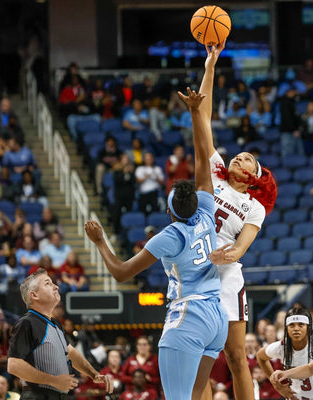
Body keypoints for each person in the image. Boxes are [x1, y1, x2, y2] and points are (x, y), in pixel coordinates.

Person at [86, 67, 228, 400]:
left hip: (189, 317)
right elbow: (202, 161)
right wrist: (195, 114)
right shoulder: (207, 210)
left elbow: (121, 273)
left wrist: (100, 242)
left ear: (170, 212)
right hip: (216, 317)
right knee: (196, 395)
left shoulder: (170, 235)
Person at [188, 42, 277, 400]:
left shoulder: (254, 206)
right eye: (239, 155)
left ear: (254, 177)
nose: (240, 157)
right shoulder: (215, 173)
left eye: (248, 160)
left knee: (236, 356)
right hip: (194, 268)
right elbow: (203, 117)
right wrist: (211, 65)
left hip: (225, 274)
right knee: (198, 359)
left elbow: (243, 245)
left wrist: (229, 253)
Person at [7, 269, 113, 399]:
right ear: (34, 295)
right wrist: (54, 380)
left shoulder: (55, 324)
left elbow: (71, 353)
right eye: (48, 284)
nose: (56, 286)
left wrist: (94, 374)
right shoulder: (27, 323)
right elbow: (13, 365)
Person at [256, 307, 313, 399]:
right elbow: (260, 356)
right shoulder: (281, 346)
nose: (296, 329)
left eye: (301, 324)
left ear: (308, 327)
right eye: (292, 325)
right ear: (286, 328)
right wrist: (277, 386)